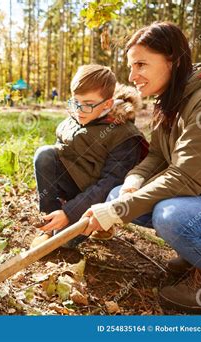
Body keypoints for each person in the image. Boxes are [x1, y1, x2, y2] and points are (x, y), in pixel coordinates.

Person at [82, 22, 201, 312]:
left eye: (142, 64)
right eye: (131, 66)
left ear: (174, 60)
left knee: (170, 216)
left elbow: (186, 177)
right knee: (118, 193)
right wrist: (133, 182)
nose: (133, 76)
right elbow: (157, 156)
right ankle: (199, 255)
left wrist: (123, 209)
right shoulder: (171, 98)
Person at [32, 65, 147, 248]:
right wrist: (60, 203)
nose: (79, 110)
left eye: (87, 104)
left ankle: (101, 225)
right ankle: (50, 222)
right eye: (75, 102)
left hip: (98, 200)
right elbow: (58, 160)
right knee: (44, 155)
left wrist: (70, 212)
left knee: (65, 243)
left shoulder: (125, 136)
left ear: (108, 104)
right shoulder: (75, 118)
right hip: (75, 188)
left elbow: (109, 184)